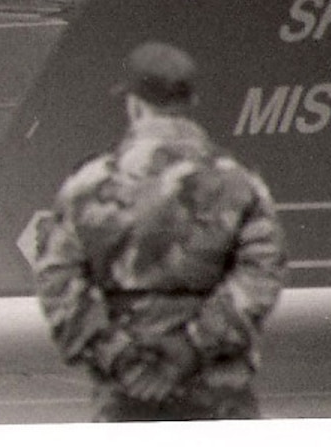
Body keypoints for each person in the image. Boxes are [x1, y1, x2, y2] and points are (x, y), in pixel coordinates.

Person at [35, 41, 285, 421]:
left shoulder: (87, 186)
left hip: (126, 389)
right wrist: (192, 347)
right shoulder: (239, 184)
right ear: (192, 100)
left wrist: (119, 356)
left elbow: (58, 280)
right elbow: (260, 274)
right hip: (215, 388)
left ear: (133, 104)